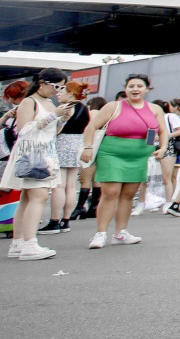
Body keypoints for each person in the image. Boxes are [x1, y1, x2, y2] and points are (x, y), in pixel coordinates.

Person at [78, 73, 169, 249]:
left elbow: (163, 131)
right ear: (126, 88)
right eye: (131, 86)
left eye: (139, 86)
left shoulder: (155, 109)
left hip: (139, 155)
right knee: (110, 192)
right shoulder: (113, 106)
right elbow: (92, 126)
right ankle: (100, 233)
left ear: (146, 89)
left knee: (128, 194)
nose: (135, 89)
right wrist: (88, 147)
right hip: (111, 153)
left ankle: (120, 233)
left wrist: (163, 148)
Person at [2, 68, 70, 260]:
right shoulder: (29, 102)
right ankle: (29, 243)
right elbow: (23, 131)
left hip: (44, 154)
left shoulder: (48, 103)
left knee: (27, 198)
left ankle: (19, 243)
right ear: (43, 83)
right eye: (57, 86)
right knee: (38, 196)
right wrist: (53, 116)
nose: (58, 91)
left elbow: (51, 132)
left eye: (62, 87)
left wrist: (61, 119)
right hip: (31, 154)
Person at [41, 80, 91, 235]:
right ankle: (66, 220)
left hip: (62, 144)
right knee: (70, 186)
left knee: (59, 185)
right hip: (77, 145)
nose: (58, 94)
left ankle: (54, 221)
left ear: (70, 93)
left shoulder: (64, 108)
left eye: (62, 91)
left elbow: (54, 128)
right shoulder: (84, 108)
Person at [71, 96, 109, 221]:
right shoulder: (107, 116)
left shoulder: (93, 113)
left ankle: (80, 207)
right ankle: (93, 207)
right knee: (96, 180)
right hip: (102, 149)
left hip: (90, 147)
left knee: (84, 179)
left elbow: (88, 129)